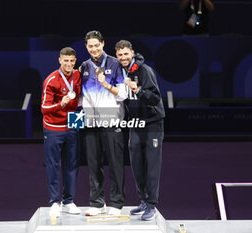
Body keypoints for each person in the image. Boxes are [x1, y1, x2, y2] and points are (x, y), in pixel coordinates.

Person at [115, 40, 165, 221]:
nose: (123, 58)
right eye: (120, 55)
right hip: (135, 123)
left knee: (151, 164)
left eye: (126, 54)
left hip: (153, 123)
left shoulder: (145, 71)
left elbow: (155, 99)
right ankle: (143, 200)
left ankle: (152, 205)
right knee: (136, 163)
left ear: (132, 53)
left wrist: (139, 90)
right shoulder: (121, 72)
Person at [80, 30, 127, 216]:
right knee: (93, 163)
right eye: (90, 46)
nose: (94, 48)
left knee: (115, 163)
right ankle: (97, 203)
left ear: (103, 44)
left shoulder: (115, 64)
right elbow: (81, 95)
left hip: (111, 119)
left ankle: (116, 202)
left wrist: (107, 84)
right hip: (91, 121)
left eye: (96, 45)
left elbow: (123, 94)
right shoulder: (83, 66)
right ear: (86, 47)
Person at [41, 47, 82, 218]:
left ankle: (68, 201)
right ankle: (54, 202)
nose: (69, 64)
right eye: (66, 60)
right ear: (59, 60)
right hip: (54, 128)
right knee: (53, 165)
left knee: (72, 165)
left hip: (73, 124)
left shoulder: (78, 75)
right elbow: (44, 108)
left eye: (72, 60)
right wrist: (61, 104)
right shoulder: (51, 80)